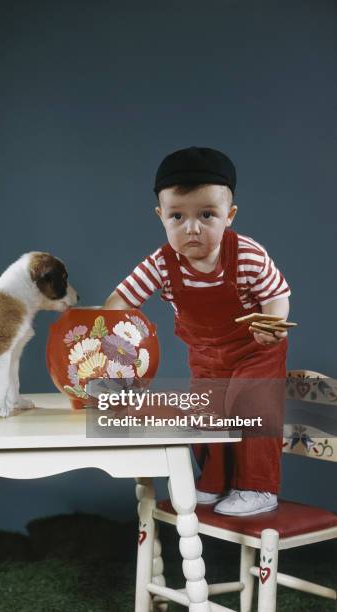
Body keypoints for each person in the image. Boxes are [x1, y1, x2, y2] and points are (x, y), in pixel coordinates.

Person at [104, 146, 290, 516]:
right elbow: (119, 301)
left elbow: (277, 293)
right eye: (178, 216)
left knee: (250, 407)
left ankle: (257, 487)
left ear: (229, 216)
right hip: (205, 352)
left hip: (255, 349)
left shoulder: (247, 255)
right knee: (205, 415)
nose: (192, 228)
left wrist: (272, 325)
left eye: (207, 215)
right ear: (161, 217)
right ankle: (214, 482)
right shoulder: (160, 263)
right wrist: (118, 340)